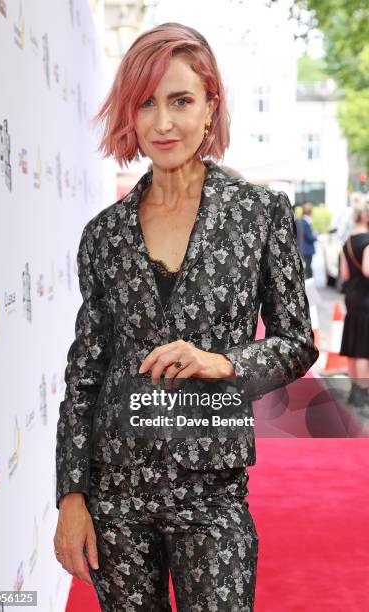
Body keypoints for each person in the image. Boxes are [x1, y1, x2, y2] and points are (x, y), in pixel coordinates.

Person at [53, 22, 319, 611]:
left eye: (180, 101)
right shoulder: (103, 235)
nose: (163, 122)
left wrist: (221, 361)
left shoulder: (259, 214)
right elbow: (85, 375)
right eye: (146, 104)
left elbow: (297, 343)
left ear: (210, 107)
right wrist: (72, 494)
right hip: (115, 493)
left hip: (213, 491)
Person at [339, 197, 369, 408]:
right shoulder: (368, 241)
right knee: (364, 348)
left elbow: (345, 274)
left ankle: (353, 390)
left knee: (353, 343)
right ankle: (362, 390)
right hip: (367, 298)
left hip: (352, 298)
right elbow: (368, 270)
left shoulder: (347, 242)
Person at [295, 203, 318, 279]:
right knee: (307, 269)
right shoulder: (305, 223)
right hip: (306, 249)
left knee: (304, 268)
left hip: (301, 248)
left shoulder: (298, 221)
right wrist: (316, 236)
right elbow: (309, 237)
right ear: (310, 212)